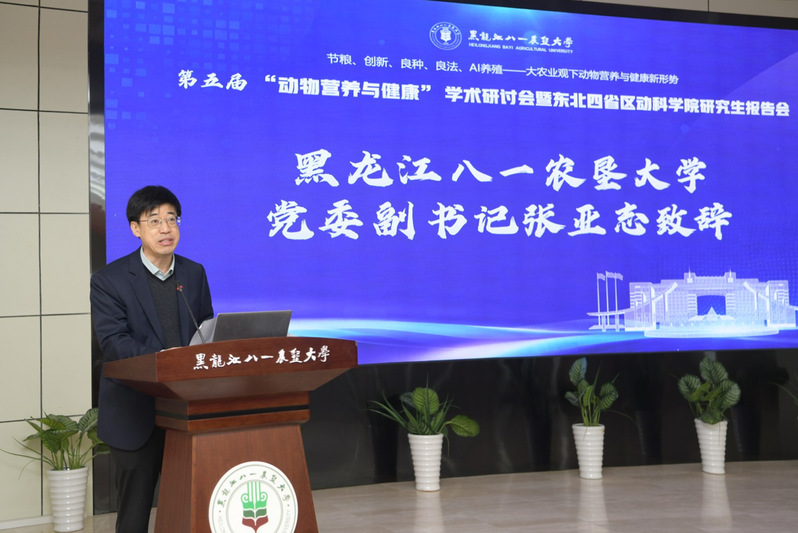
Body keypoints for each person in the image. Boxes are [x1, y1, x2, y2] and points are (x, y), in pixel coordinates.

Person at [90, 185, 213, 533]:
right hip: (134, 411)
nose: (165, 228)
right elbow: (114, 343)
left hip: (185, 408)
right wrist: (166, 359)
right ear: (135, 228)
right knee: (135, 514)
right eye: (155, 221)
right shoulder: (109, 280)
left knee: (192, 505)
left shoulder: (193, 273)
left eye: (172, 220)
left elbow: (204, 329)